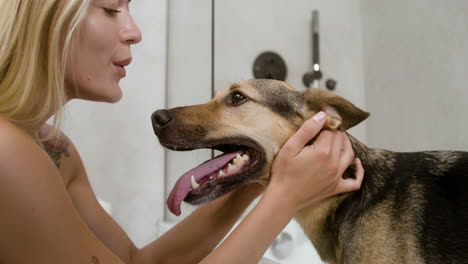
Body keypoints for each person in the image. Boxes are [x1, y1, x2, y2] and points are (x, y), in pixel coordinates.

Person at [0, 0, 364, 263]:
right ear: (46, 15)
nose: (134, 31)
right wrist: (285, 197)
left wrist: (258, 173)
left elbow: (135, 260)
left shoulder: (54, 148)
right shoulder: (8, 150)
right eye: (112, 9)